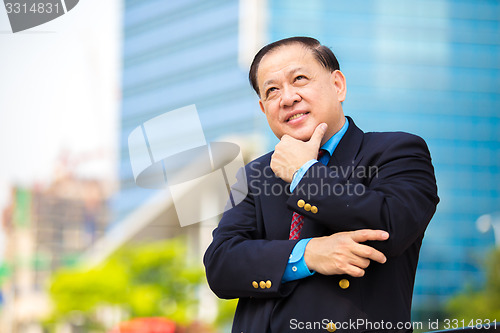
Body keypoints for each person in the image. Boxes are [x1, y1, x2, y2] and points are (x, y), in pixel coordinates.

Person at [203, 37, 439, 333]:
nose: (287, 98)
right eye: (272, 90)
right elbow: (221, 264)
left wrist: (304, 172)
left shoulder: (397, 150)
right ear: (264, 109)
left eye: (299, 79)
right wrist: (308, 254)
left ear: (338, 85)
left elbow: (389, 226)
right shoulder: (256, 174)